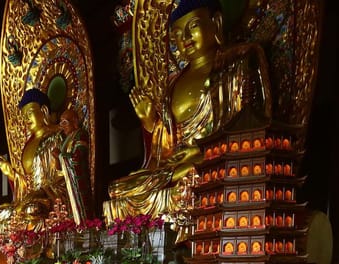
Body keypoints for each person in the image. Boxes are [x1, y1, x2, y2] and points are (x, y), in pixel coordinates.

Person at [103, 0, 271, 223]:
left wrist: (197, 154)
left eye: (192, 26)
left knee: (189, 186)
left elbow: (251, 127)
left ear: (216, 23)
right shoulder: (174, 85)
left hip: (214, 165)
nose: (185, 39)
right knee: (117, 192)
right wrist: (151, 123)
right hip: (176, 170)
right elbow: (166, 148)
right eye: (177, 34)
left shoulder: (239, 61)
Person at [0, 88, 72, 231]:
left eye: (29, 113)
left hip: (49, 198)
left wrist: (43, 189)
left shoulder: (57, 136)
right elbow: (27, 183)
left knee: (31, 209)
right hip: (29, 198)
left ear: (44, 111)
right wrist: (11, 174)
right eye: (23, 115)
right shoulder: (28, 145)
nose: (26, 119)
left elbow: (65, 174)